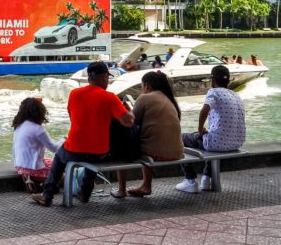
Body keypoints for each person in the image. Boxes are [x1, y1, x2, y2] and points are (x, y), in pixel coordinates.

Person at [32, 61, 135, 206]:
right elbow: (128, 122)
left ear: (89, 78)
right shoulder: (110, 97)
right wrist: (129, 110)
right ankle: (85, 193)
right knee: (93, 154)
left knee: (60, 157)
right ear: (104, 77)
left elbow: (72, 118)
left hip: (74, 150)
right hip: (100, 153)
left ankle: (47, 195)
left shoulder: (74, 94)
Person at [111, 71, 183, 198]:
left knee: (123, 146)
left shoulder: (145, 97)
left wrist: (126, 110)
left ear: (147, 85)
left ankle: (121, 190)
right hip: (177, 152)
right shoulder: (168, 98)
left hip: (157, 153)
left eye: (141, 86)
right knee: (148, 140)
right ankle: (146, 186)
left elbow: (131, 121)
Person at [176, 65, 246, 193]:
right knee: (212, 137)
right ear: (228, 81)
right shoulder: (236, 95)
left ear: (212, 81)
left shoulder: (213, 92)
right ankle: (206, 179)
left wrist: (200, 128)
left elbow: (205, 109)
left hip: (217, 143)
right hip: (236, 143)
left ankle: (190, 180)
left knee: (179, 139)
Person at [12, 98, 64, 193]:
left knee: (50, 161)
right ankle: (39, 181)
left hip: (19, 167)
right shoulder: (38, 129)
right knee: (62, 169)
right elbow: (54, 148)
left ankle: (29, 178)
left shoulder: (18, 126)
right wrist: (64, 139)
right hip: (33, 168)